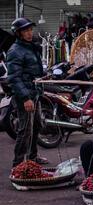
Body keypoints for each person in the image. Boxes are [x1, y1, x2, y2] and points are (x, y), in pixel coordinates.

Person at [7, 18, 49, 167]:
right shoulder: (15, 51)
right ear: (18, 33)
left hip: (35, 93)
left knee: (37, 125)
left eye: (30, 29)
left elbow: (33, 70)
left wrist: (45, 74)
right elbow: (14, 78)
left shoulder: (30, 47)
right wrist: (25, 98)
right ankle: (18, 164)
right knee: (25, 130)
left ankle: (32, 157)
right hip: (24, 96)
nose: (29, 33)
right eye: (25, 30)